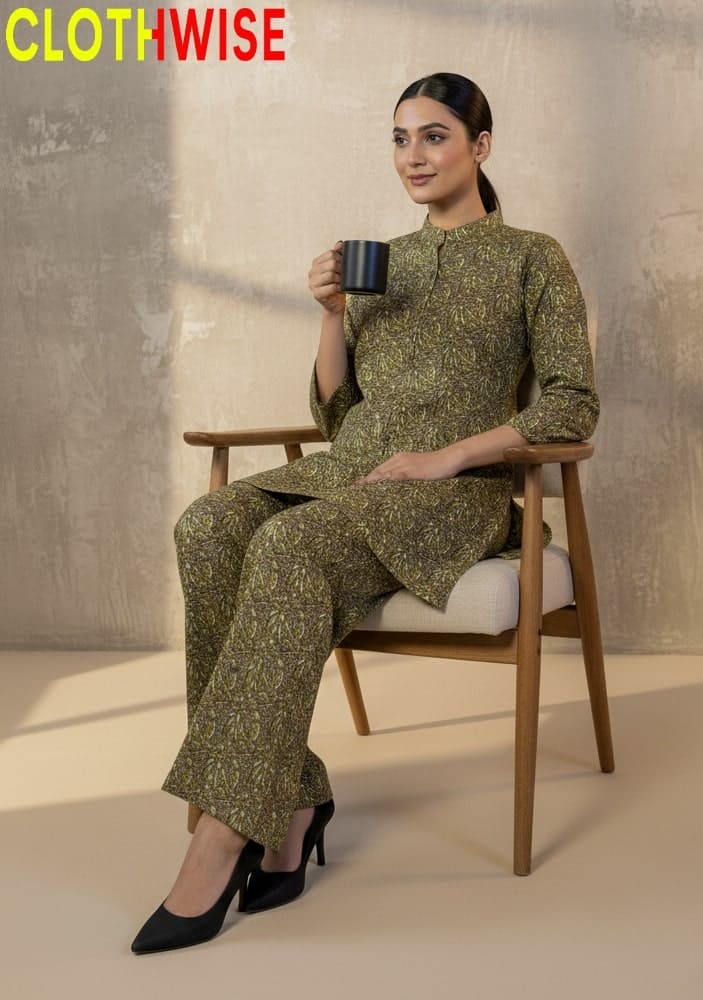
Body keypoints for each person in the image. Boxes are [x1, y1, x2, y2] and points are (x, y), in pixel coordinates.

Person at [130, 71, 599, 954]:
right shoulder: (381, 261)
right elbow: (340, 419)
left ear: (480, 148)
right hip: (354, 473)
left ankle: (221, 835)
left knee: (292, 547)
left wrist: (450, 456)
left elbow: (572, 402)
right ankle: (294, 794)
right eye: (398, 138)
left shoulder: (533, 258)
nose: (412, 157)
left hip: (453, 497)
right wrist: (332, 315)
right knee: (210, 526)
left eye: (433, 137)